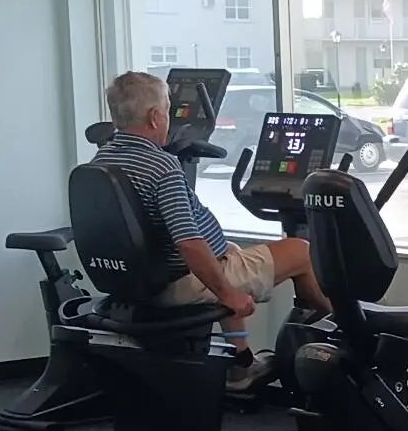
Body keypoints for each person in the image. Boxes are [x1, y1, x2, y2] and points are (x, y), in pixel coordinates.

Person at [93, 70, 333, 392]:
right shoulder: (162, 167)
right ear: (154, 117)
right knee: (300, 251)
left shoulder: (103, 157)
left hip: (138, 279)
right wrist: (229, 295)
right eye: (167, 110)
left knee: (228, 252)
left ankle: (242, 362)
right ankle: (343, 334)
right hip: (179, 282)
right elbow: (190, 245)